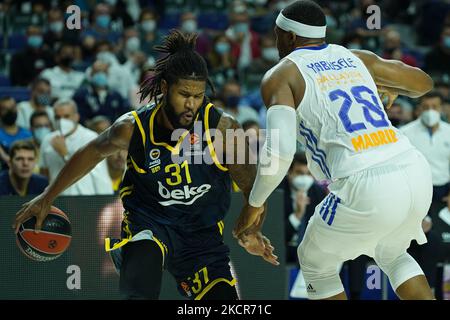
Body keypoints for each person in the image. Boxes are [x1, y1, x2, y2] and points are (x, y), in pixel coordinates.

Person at [13, 30, 277, 300]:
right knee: (140, 287)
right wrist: (48, 196)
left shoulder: (222, 129)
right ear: (164, 88)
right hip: (149, 226)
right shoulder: (132, 127)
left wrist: (252, 229)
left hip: (201, 236)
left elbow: (254, 190)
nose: (191, 105)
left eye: (198, 96)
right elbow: (91, 153)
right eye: (184, 94)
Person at [234, 0, 435, 300]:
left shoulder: (281, 75)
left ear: (288, 36)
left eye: (276, 34)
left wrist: (254, 204)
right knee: (393, 253)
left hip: (365, 181)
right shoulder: (356, 58)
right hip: (415, 171)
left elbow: (279, 153)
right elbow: (424, 84)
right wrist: (394, 86)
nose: (274, 41)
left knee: (315, 262)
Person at [38, 99, 113, 196]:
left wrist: (65, 154)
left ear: (76, 117)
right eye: (57, 117)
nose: (61, 121)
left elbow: (99, 175)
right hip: (56, 200)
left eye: (66, 116)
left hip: (83, 198)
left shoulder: (90, 137)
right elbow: (44, 173)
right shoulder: (47, 140)